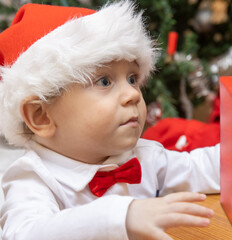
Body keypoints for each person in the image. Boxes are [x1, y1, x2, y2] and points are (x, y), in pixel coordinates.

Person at [0, 1, 220, 240]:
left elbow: (203, 168)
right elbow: (24, 234)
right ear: (41, 116)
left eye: (133, 79)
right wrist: (120, 217)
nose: (134, 94)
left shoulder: (144, 156)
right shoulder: (34, 179)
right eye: (105, 82)